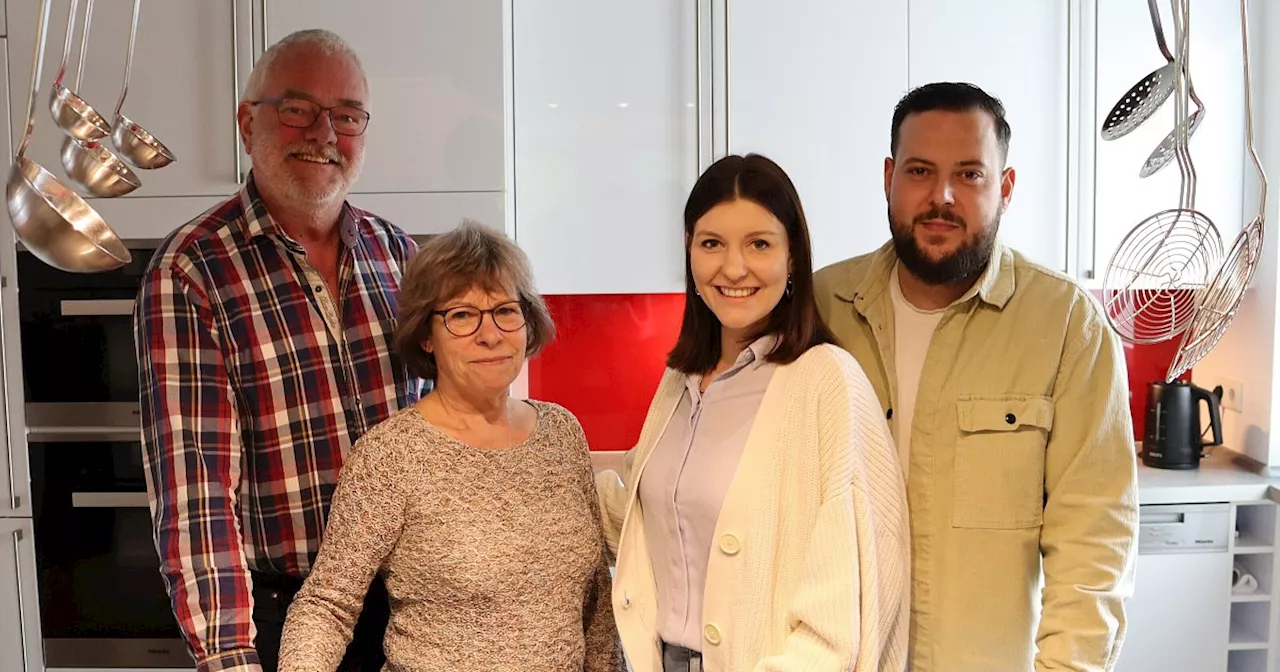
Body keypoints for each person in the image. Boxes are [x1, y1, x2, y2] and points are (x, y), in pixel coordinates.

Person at [813, 82, 1140, 671]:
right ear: (888, 177)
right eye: (919, 171)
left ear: (1005, 188)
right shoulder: (821, 307)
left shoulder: (1067, 326)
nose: (941, 196)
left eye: (969, 174)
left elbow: (1094, 546)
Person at [135, 29, 420, 672]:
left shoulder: (400, 256)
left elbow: (451, 435)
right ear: (248, 122)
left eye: (346, 116)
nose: (324, 133)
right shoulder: (191, 271)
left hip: (418, 610)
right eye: (297, 109)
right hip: (287, 617)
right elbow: (195, 493)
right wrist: (232, 659)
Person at [596, 154, 911, 672]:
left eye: (759, 244)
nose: (734, 267)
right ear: (690, 253)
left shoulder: (825, 382)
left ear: (792, 258)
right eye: (712, 243)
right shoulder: (679, 385)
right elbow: (645, 517)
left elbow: (841, 614)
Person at [275, 221, 623, 672]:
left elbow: (593, 599)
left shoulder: (561, 432)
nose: (490, 334)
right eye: (461, 315)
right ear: (426, 335)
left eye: (505, 310)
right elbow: (328, 604)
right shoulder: (390, 455)